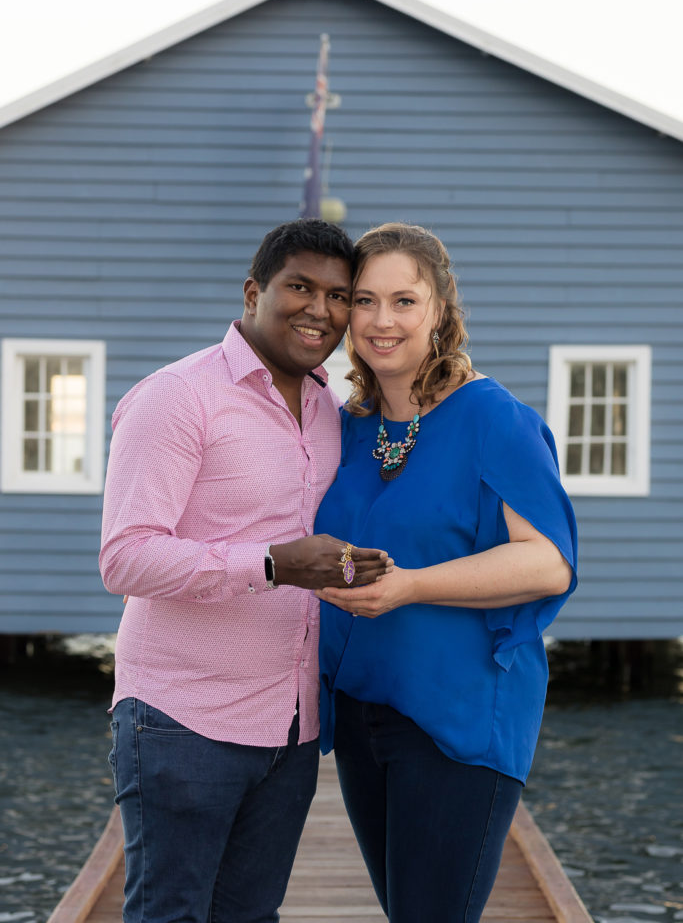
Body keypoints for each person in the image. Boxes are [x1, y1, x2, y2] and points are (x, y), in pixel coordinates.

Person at [99, 218, 391, 923]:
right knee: (171, 915)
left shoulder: (329, 408)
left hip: (290, 729)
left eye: (337, 295)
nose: (319, 310)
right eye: (299, 287)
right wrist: (270, 563)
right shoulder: (178, 396)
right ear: (254, 290)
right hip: (182, 719)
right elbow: (125, 555)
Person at [314, 222, 578, 923]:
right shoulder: (350, 425)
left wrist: (411, 585)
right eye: (364, 301)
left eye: (403, 301)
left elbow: (547, 562)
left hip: (458, 717)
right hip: (364, 708)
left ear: (439, 309)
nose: (380, 321)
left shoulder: (494, 418)